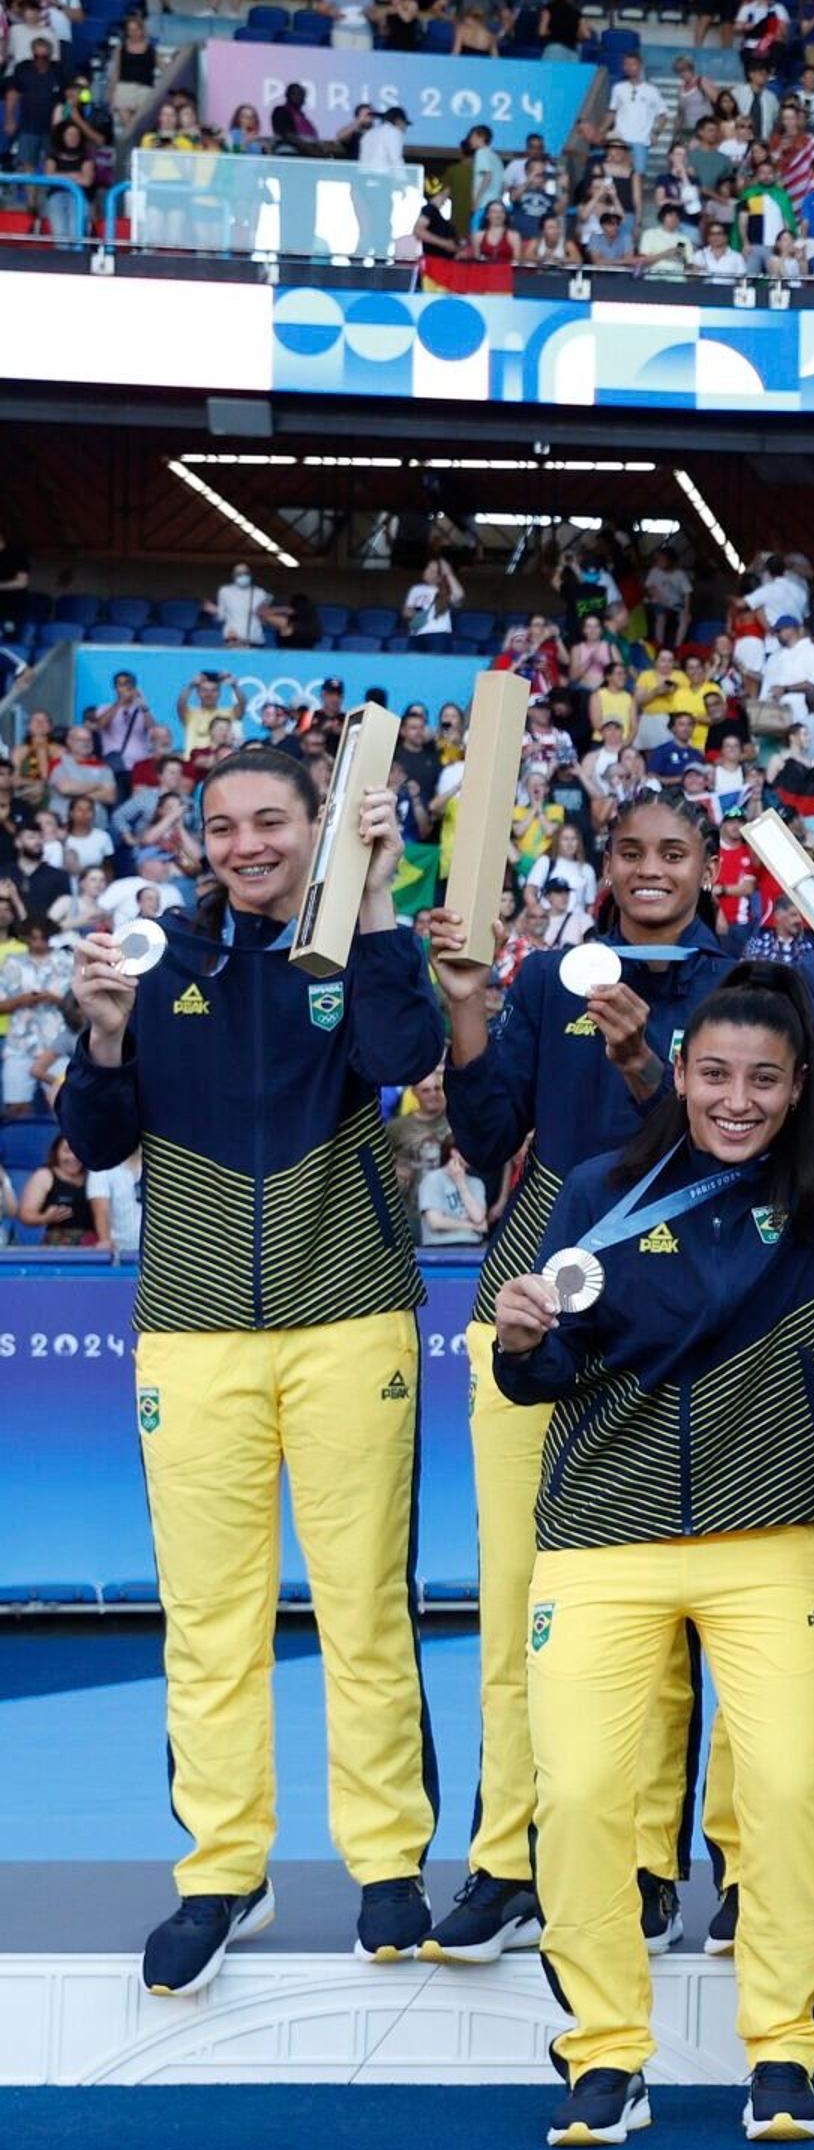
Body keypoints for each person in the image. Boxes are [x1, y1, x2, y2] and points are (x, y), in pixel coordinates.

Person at [430, 791, 814, 1962]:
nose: (651, 868)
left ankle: (744, 1866)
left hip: (728, 1323)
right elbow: (495, 1135)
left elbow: (753, 1146)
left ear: (710, 866)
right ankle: (522, 1857)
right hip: (563, 1320)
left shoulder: (753, 984)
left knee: (737, 1635)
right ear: (605, 864)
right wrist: (472, 1004)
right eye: (631, 849)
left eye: (675, 851)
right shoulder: (545, 979)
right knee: (531, 1613)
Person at [486, 961, 814, 2147]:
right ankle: (603, 2051)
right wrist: (526, 1339)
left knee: (793, 1792)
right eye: (714, 1076)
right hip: (600, 1536)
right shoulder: (599, 1186)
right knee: (585, 1795)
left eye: (763, 1080)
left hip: (769, 1541)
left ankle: (787, 2046)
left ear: (801, 1088)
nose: (736, 1101)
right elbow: (532, 1374)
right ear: (678, 1075)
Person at [66, 744, 446, 1994]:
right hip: (191, 1330)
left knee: (362, 1607)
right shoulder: (158, 959)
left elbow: (398, 1056)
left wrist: (379, 896)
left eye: (271, 821)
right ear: (199, 840)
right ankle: (224, 1872)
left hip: (347, 1318)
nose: (246, 845)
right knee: (210, 1620)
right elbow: (99, 1144)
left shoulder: (344, 949)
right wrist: (108, 1041)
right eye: (223, 826)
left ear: (312, 828)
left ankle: (388, 1865)